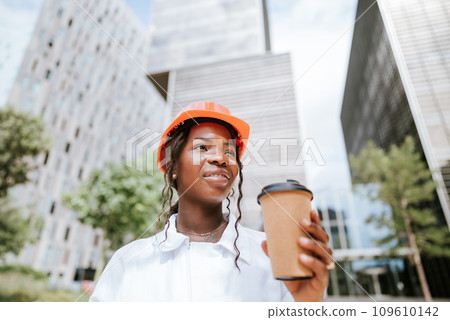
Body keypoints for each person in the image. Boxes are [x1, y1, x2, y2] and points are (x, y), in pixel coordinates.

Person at [90, 101, 333, 302]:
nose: (220, 157)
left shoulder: (273, 258)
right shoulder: (127, 263)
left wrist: (307, 304)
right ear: (173, 167)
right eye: (203, 147)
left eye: (229, 151)